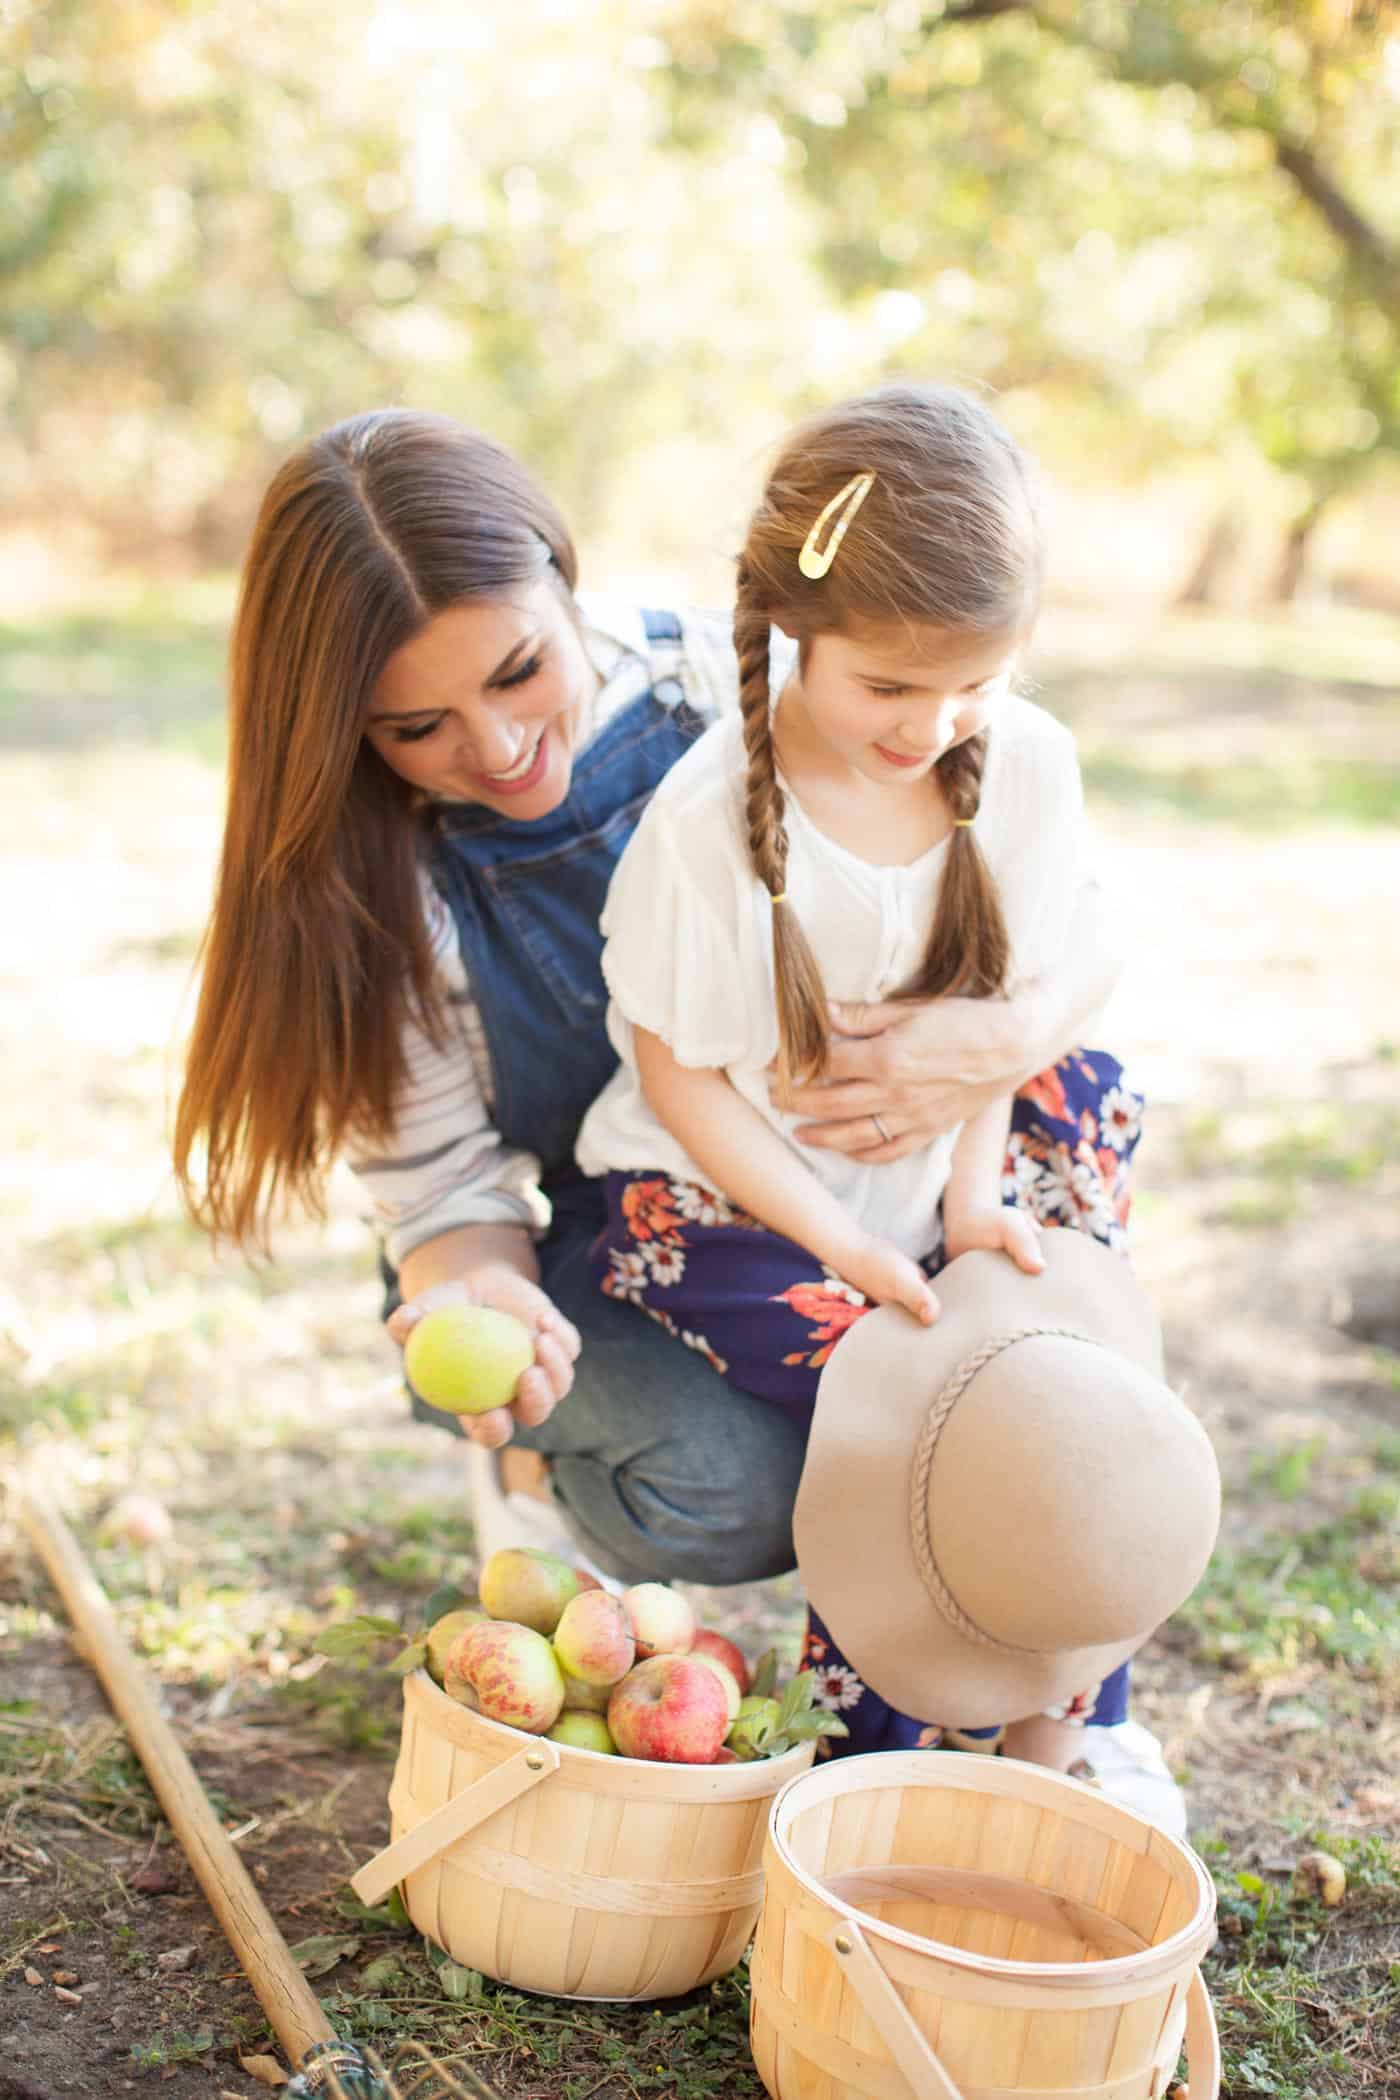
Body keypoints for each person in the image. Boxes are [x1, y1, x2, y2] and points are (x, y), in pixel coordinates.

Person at [171, 404, 1126, 1608]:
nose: (504, 744)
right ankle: (535, 1472)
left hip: (839, 1165)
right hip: (571, 1238)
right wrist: (483, 1301)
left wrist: (998, 1043)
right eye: (418, 728)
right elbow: (442, 1193)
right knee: (748, 1484)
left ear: (562, 578)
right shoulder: (362, 892)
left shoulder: (737, 678)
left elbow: (1071, 913)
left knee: (987, 1368)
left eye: (521, 671)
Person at [576, 383, 1171, 1808]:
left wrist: (970, 1200)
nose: (937, 723)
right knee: (903, 1412)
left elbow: (996, 1009)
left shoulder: (1023, 765)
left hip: (930, 1162)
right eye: (890, 688)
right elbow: (681, 1078)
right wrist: (846, 1249)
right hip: (732, 1195)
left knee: (1047, 1376)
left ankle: (1065, 1743)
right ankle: (873, 1761)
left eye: (976, 680)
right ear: (793, 625)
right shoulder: (711, 821)